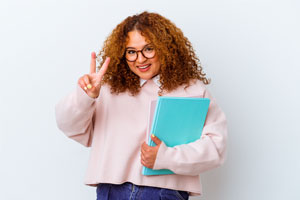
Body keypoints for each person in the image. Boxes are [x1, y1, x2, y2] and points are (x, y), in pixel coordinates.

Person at [55, 11, 227, 200]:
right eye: (131, 52)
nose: (140, 59)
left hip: (163, 193)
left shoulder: (191, 90)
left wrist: (166, 157)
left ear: (165, 48)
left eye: (148, 49)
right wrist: (85, 96)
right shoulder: (108, 89)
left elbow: (216, 148)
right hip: (112, 191)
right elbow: (69, 126)